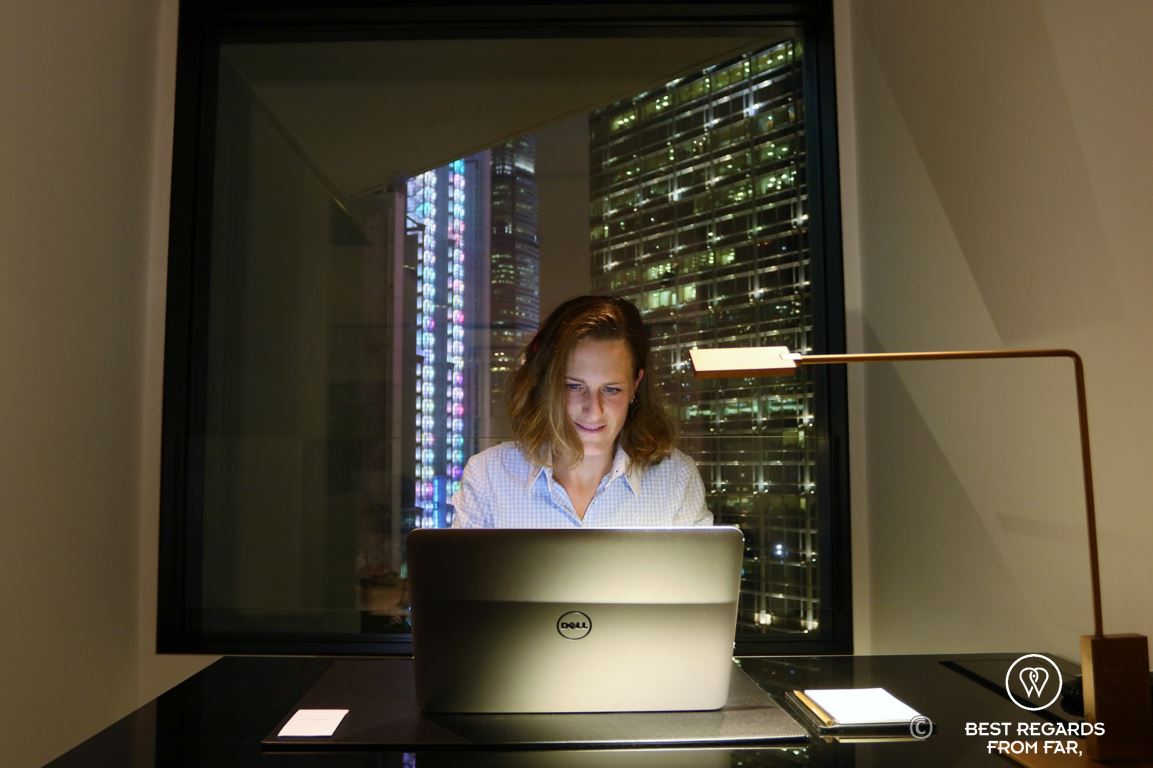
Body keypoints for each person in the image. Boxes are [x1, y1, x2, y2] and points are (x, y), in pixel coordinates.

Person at [450, 295, 711, 528]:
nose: (593, 411)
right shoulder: (488, 476)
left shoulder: (676, 478)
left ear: (635, 386)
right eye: (574, 386)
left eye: (611, 390)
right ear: (546, 384)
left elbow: (704, 581)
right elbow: (456, 583)